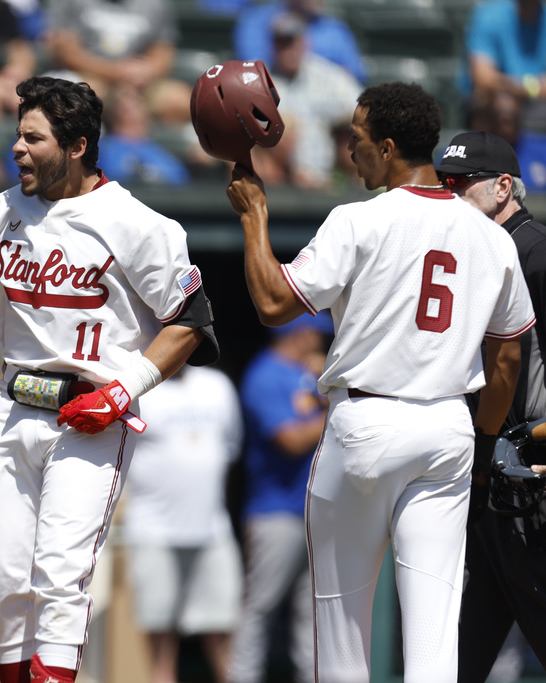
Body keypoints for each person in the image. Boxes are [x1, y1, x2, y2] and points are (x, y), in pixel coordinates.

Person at [0, 75, 220, 683]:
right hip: (12, 407)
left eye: (33, 137)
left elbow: (189, 323)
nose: (17, 148)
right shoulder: (3, 209)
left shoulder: (137, 223)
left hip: (92, 415)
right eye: (18, 135)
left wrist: (124, 389)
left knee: (61, 576)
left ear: (78, 144)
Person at [225, 81, 535, 681]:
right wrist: (483, 440)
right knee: (435, 638)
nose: (351, 151)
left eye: (359, 140)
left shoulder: (357, 220)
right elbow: (507, 359)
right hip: (448, 425)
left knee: (342, 632)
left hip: (366, 422)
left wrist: (255, 216)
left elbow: (271, 302)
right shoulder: (491, 235)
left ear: (389, 147)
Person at [436, 130, 546, 681]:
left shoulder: (536, 250)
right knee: (458, 646)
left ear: (504, 186)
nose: (451, 193)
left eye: (461, 184)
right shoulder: (472, 251)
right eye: (443, 184)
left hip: (528, 475)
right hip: (482, 470)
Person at [226, 312, 332, 683]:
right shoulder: (265, 374)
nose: (320, 342)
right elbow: (290, 441)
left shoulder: (311, 375)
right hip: (275, 513)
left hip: (315, 513)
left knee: (313, 613)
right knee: (261, 607)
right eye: (317, 335)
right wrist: (337, 410)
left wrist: (326, 385)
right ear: (301, 334)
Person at [120, 364, 243, 683]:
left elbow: (230, 445)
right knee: (159, 631)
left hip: (213, 528)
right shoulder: (136, 386)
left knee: (222, 626)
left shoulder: (217, 384)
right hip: (152, 529)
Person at [42, 0, 191, 126]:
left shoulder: (155, 3)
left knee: (184, 101)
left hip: (139, 82)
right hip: (89, 76)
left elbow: (163, 54)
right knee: (70, 98)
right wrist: (116, 72)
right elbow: (66, 51)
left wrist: (143, 73)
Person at [261, 11, 362, 191]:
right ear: (272, 45)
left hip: (325, 179)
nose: (287, 49)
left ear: (304, 42)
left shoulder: (326, 76)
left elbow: (363, 109)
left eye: (292, 41)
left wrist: (342, 123)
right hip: (278, 181)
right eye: (281, 42)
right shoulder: (258, 80)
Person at [232, 0, 366, 84]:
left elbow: (355, 75)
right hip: (276, 98)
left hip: (325, 104)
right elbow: (251, 70)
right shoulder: (256, 21)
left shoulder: (336, 29)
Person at [460, 0, 546, 131]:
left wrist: (511, 85)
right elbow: (483, 79)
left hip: (537, 106)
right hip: (494, 100)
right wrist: (531, 87)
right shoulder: (489, 15)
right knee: (502, 107)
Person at [96, 83, 190, 186]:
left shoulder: (156, 149)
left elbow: (180, 179)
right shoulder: (105, 150)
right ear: (122, 112)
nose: (144, 108)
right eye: (136, 104)